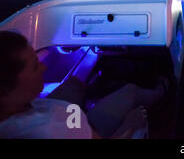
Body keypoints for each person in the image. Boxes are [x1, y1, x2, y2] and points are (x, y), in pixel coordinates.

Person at [0, 31, 168, 139]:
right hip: (86, 127)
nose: (44, 67)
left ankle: (96, 89)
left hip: (70, 117)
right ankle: (163, 89)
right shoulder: (47, 132)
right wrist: (130, 126)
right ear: (6, 88)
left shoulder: (14, 109)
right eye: (35, 66)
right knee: (130, 91)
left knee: (73, 83)